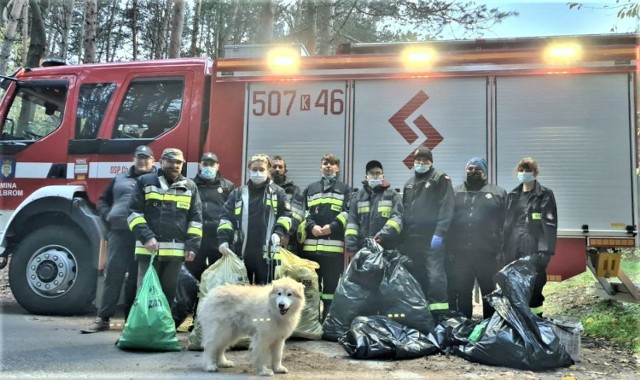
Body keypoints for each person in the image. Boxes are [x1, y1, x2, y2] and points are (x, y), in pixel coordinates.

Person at [81, 145, 156, 333]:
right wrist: (108, 215)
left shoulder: (156, 180)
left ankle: (131, 320)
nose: (142, 160)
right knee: (114, 274)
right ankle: (103, 318)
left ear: (153, 162)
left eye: (146, 158)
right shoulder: (119, 178)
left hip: (143, 236)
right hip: (119, 232)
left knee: (135, 278)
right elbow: (102, 200)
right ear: (134, 159)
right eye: (139, 157)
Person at [127, 148, 203, 309]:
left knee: (168, 295)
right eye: (170, 161)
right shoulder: (145, 181)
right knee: (145, 294)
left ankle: (162, 331)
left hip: (175, 253)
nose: (174, 165)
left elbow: (195, 220)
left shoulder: (190, 186)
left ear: (182, 165)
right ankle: (142, 331)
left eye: (178, 162)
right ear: (161, 162)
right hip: (148, 251)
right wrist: (146, 237)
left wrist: (192, 246)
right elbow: (133, 213)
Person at [217, 154, 292, 285]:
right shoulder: (238, 193)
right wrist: (223, 240)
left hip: (267, 253)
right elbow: (226, 218)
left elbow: (286, 215)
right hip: (242, 252)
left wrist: (278, 233)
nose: (258, 173)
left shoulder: (278, 192)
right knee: (241, 295)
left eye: (261, 170)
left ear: (268, 171)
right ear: (249, 171)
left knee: (264, 295)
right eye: (254, 169)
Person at [446, 157, 507, 319]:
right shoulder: (454, 192)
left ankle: (488, 327)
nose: (473, 172)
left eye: (477, 170)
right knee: (463, 291)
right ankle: (465, 326)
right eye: (470, 169)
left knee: (489, 292)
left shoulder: (498, 193)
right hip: (460, 255)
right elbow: (447, 222)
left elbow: (506, 225)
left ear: (484, 173)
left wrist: (502, 250)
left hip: (487, 254)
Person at [400, 147, 454, 319]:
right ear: (413, 162)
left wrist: (440, 233)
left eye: (425, 160)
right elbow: (403, 212)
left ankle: (439, 317)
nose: (421, 163)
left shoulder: (440, 178)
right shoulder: (409, 183)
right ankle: (421, 314)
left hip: (432, 239)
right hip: (411, 240)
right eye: (418, 160)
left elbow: (447, 207)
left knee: (435, 277)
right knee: (416, 276)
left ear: (431, 162)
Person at [502, 157, 557, 317]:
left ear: (535, 173)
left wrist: (545, 250)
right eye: (522, 170)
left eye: (528, 170)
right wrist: (503, 249)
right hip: (514, 245)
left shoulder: (544, 195)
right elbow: (506, 224)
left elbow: (549, 224)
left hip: (533, 246)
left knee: (534, 288)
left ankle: (536, 321)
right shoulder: (513, 195)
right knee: (514, 286)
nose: (524, 173)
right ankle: (518, 323)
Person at [299, 153, 350, 318]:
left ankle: (328, 320)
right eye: (325, 163)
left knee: (330, 289)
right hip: (311, 250)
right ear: (320, 167)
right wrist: (311, 226)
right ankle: (311, 322)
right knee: (312, 288)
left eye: (332, 163)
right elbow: (304, 212)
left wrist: (332, 227)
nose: (328, 166)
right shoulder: (311, 188)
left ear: (338, 168)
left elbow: (348, 212)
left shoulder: (344, 189)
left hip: (333, 250)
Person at [186, 152, 234, 282]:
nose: (208, 167)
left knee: (218, 277)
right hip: (196, 239)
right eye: (205, 164)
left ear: (218, 166)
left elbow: (232, 213)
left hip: (218, 239)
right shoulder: (190, 185)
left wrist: (228, 237)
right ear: (200, 166)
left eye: (211, 164)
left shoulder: (227, 186)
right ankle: (192, 302)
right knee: (192, 276)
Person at [345, 160, 403, 256]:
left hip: (386, 248)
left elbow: (397, 218)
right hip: (362, 249)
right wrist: (351, 246)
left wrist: (381, 236)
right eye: (371, 173)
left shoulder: (392, 195)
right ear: (366, 177)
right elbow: (352, 223)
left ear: (383, 176)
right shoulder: (358, 196)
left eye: (378, 173)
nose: (375, 176)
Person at [270, 155, 302, 252]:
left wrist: (287, 233)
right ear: (269, 169)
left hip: (287, 240)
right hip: (266, 235)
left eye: (280, 167)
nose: (277, 169)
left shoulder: (294, 189)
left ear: (285, 170)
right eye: (274, 166)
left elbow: (297, 213)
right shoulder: (264, 188)